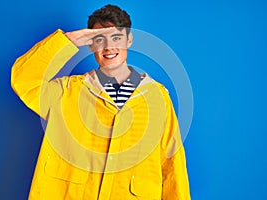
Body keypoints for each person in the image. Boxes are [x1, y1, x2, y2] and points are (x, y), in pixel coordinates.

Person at [11, 4, 191, 200]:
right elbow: (23, 80)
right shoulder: (66, 92)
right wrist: (69, 40)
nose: (109, 47)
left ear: (129, 40)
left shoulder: (157, 96)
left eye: (116, 37)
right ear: (90, 45)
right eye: (99, 39)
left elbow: (172, 164)